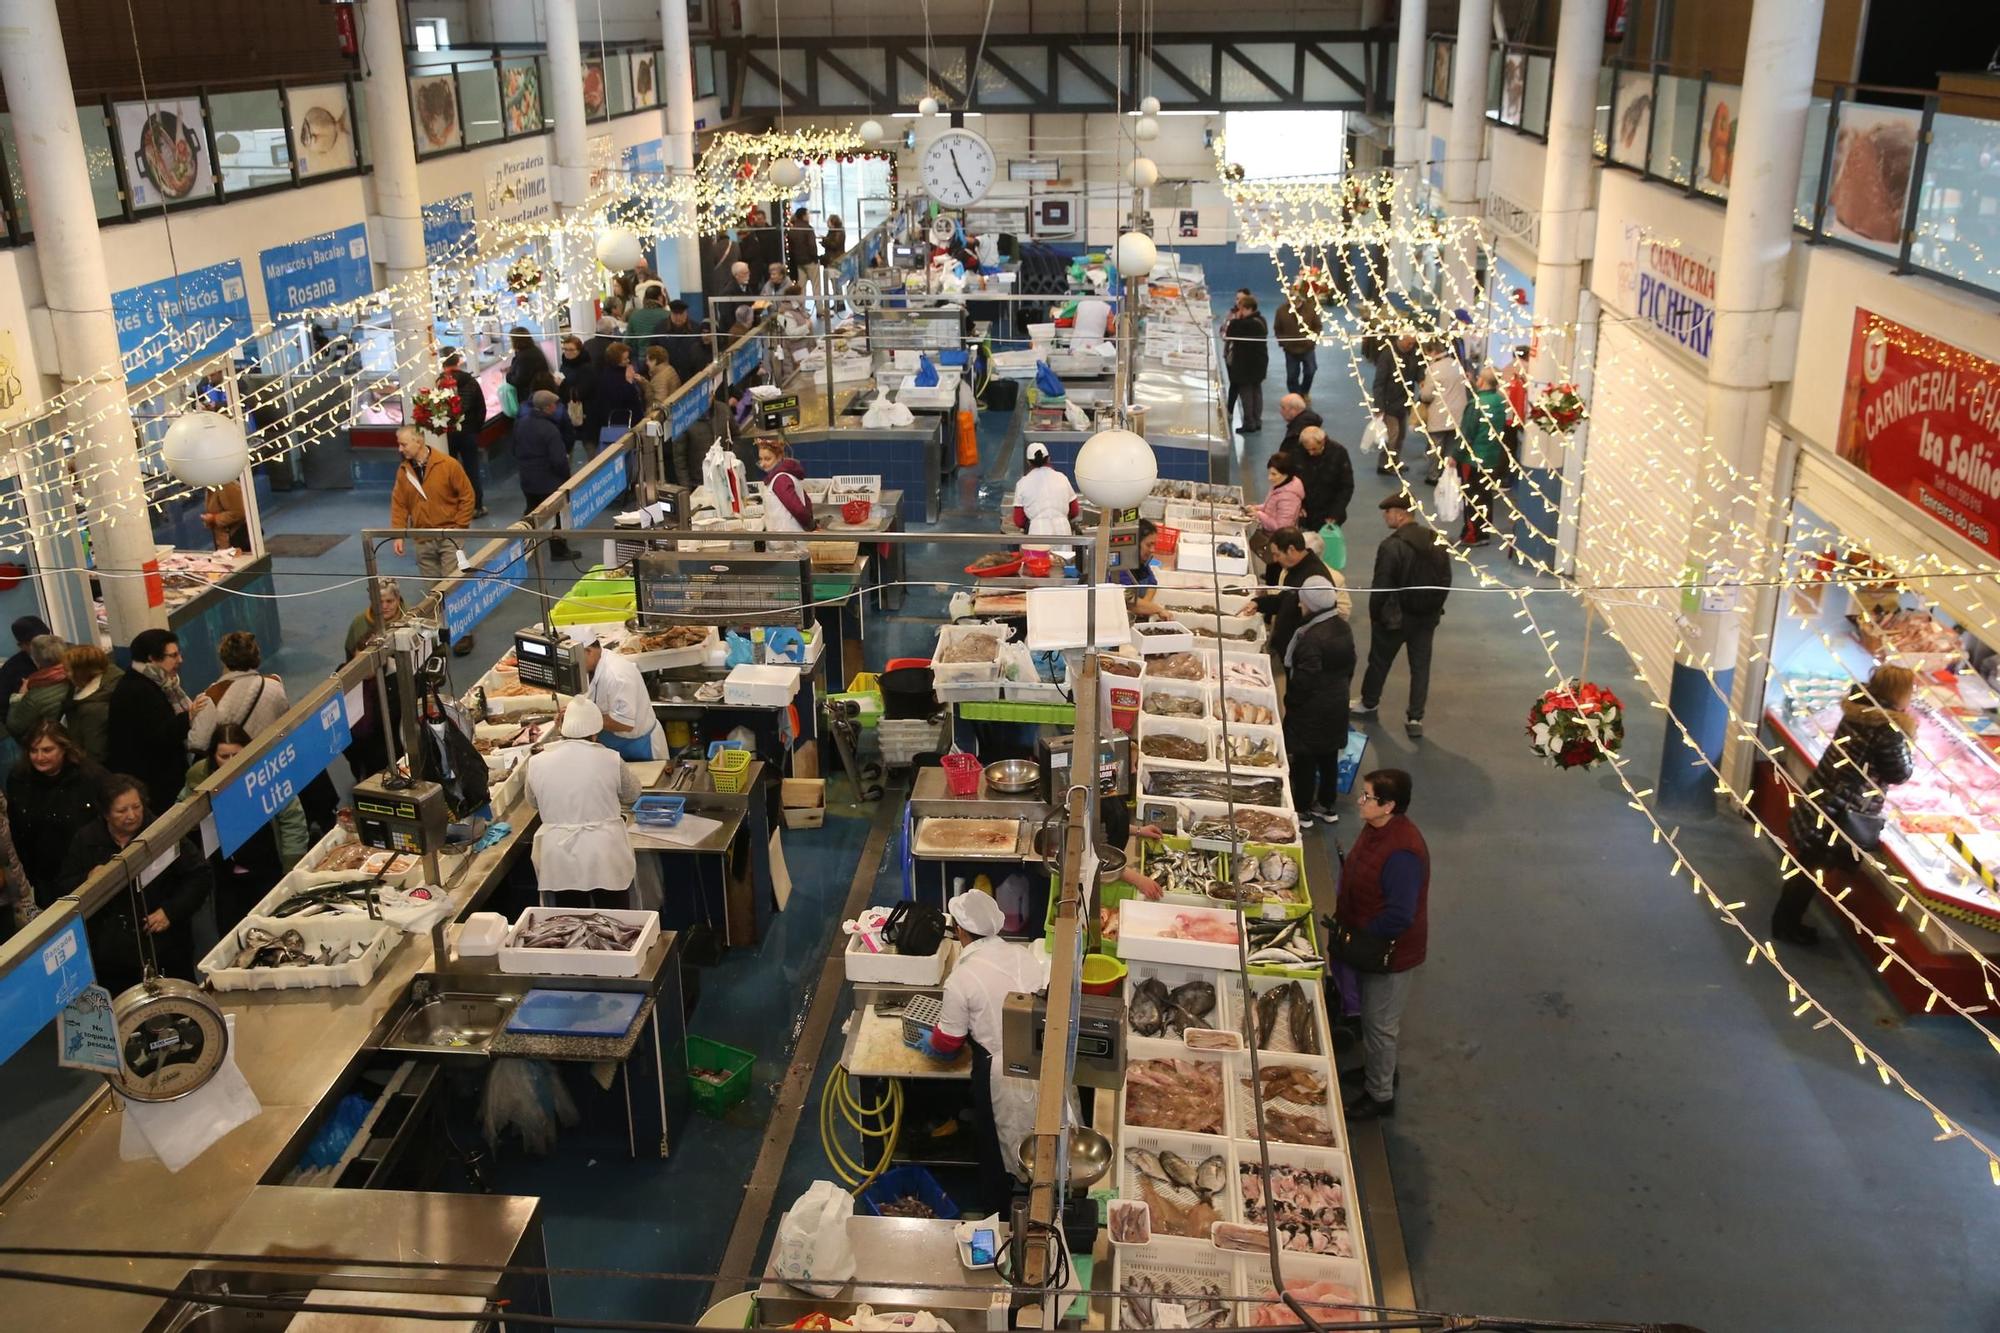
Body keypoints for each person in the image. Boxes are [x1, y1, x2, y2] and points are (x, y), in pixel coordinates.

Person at [911, 890, 1048, 1208]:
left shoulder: (961, 978)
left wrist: (928, 1042)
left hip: (998, 1071)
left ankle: (1001, 1213)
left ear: (959, 930)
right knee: (1043, 1133)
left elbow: (948, 1043)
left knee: (998, 1142)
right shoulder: (1024, 955)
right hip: (1042, 1054)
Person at [1778, 665, 1917, 946]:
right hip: (1841, 808)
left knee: (1805, 864)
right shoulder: (1888, 729)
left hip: (1825, 793)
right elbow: (1899, 773)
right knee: (1810, 870)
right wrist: (1909, 739)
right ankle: (1785, 925)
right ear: (1898, 693)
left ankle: (1786, 921)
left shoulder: (1859, 711)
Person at [60, 773, 212, 993]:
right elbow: (64, 886)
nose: (131, 815)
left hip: (166, 945)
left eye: (136, 807)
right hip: (113, 954)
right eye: (122, 811)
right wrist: (88, 878)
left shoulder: (161, 831)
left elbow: (199, 875)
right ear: (105, 814)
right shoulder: (86, 840)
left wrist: (171, 911)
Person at [1336, 768, 1429, 1121]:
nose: (1360, 802)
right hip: (1367, 943)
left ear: (1388, 805)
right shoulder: (1377, 828)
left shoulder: (1403, 852)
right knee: (1375, 1021)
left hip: (1389, 952)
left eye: (1368, 797)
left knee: (1380, 1025)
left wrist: (1364, 934)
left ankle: (1380, 1095)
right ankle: (1381, 1071)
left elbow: (1401, 914)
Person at [182, 723, 306, 935]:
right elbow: (184, 810)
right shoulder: (199, 775)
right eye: (224, 756)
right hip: (225, 870)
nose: (231, 762)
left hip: (266, 862)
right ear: (213, 756)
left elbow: (291, 818)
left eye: (236, 755)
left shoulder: (266, 770)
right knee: (232, 931)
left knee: (277, 927)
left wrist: (291, 865)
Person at [1353, 495, 1452, 740]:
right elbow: (1446, 580)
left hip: (1394, 618)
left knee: (1379, 661)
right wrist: (1434, 609)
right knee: (1420, 667)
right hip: (1426, 618)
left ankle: (1369, 702)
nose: (1385, 517)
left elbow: (1382, 587)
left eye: (1387, 513)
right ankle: (1415, 717)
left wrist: (1376, 615)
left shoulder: (1391, 546)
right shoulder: (1437, 541)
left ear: (1400, 514)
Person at [526, 698, 642, 907]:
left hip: (559, 857)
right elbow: (632, 793)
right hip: (604, 853)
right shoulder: (610, 758)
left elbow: (533, 802)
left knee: (570, 925)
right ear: (595, 732)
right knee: (615, 922)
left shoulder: (536, 762)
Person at [388, 425, 478, 653]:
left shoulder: (448, 465)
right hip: (422, 539)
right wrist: (398, 533)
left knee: (453, 586)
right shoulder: (403, 472)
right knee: (433, 592)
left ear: (418, 441)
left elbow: (467, 496)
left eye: (403, 444)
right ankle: (441, 634)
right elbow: (399, 504)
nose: (400, 449)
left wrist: (459, 527)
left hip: (449, 537)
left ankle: (463, 632)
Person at [8, 722, 103, 918]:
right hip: (46, 878)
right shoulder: (19, 780)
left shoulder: (89, 777)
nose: (40, 757)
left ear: (64, 748)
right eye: (34, 750)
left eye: (47, 750)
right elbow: (17, 831)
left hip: (86, 873)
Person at [1284, 576, 1355, 830]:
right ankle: (1327, 805)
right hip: (1336, 704)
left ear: (1310, 603)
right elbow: (1350, 666)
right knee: (1328, 759)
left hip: (1311, 712)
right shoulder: (1342, 627)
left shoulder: (1311, 637)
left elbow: (1305, 680)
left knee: (1304, 760)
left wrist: (1290, 702)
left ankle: (1302, 810)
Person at [108, 628, 204, 815]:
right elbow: (159, 736)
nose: (180, 660)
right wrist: (189, 716)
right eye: (173, 655)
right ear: (152, 658)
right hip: (155, 785)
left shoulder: (159, 683)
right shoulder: (137, 691)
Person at [570, 628, 666, 761]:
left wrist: (583, 717)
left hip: (639, 746)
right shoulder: (592, 666)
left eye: (576, 659)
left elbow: (624, 724)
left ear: (588, 651)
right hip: (612, 741)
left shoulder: (617, 675)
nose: (574, 664)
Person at [187, 630, 288, 753]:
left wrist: (192, 719)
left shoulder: (212, 697)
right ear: (256, 655)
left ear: (223, 660)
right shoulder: (275, 683)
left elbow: (198, 744)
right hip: (277, 756)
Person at [1257, 528, 1344, 663]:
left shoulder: (1315, 578)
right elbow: (1285, 599)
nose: (1274, 559)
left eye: (1277, 554)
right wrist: (1258, 603)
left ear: (1291, 549)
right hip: (1290, 650)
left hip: (1301, 657)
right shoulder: (1295, 568)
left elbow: (1321, 623)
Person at [515, 390, 575, 560]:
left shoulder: (521, 424)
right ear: (548, 407)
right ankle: (559, 551)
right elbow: (558, 460)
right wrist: (566, 477)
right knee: (555, 518)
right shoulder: (550, 429)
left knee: (531, 513)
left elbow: (514, 448)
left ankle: (523, 545)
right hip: (549, 481)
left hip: (527, 479)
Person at [1456, 366, 1510, 547]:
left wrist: (1455, 455)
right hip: (1492, 456)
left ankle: (1473, 534)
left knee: (1472, 497)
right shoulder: (1499, 401)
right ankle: (1484, 532)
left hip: (1473, 458)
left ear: (1482, 381)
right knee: (1485, 495)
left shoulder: (1475, 404)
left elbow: (1467, 433)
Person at [439, 348, 490, 518]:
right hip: (468, 433)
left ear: (442, 363)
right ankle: (476, 506)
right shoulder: (471, 382)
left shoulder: (439, 383)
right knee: (472, 470)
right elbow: (481, 409)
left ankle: (454, 506)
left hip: (447, 435)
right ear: (458, 361)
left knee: (448, 472)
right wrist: (476, 429)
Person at [1011, 441, 1079, 553]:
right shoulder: (1062, 478)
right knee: (1063, 565)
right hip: (1063, 531)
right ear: (1048, 459)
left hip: (1038, 532)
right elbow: (1074, 510)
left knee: (1040, 566)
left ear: (1028, 462)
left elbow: (1019, 520)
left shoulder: (1022, 483)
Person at [1285, 425, 1354, 534]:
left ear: (1322, 442)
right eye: (1307, 449)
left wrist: (1335, 513)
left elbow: (1346, 486)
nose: (1310, 453)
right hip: (1304, 514)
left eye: (1314, 449)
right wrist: (1298, 505)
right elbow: (1290, 481)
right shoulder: (1296, 452)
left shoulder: (1339, 453)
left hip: (1329, 512)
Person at [60, 643, 121, 766]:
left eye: (68, 670)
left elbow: (95, 754)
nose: (66, 674)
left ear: (81, 672)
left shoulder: (92, 708)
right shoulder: (109, 684)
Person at [1371, 334, 1422, 474]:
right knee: (1392, 436)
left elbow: (1417, 371)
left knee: (1401, 435)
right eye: (1409, 343)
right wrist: (1379, 406)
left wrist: (1421, 379)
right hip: (1389, 403)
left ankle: (1394, 461)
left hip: (1404, 402)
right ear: (1401, 339)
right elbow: (1379, 383)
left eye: (1413, 343)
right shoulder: (1387, 355)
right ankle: (1385, 465)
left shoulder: (1413, 353)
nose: (1411, 346)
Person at [7, 633, 68, 744]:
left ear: (36, 660)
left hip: (51, 742)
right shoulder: (76, 677)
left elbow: (14, 726)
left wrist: (19, 695)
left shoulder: (34, 697)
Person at [587, 343, 647, 450]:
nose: (628, 361)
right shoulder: (609, 377)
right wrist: (629, 382)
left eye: (628, 358)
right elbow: (619, 399)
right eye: (625, 359)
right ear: (616, 360)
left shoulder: (624, 371)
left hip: (631, 422)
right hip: (621, 425)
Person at [1224, 294, 1270, 434]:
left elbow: (1230, 333)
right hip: (1259, 363)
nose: (1239, 312)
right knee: (1257, 391)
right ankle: (1257, 420)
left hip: (1245, 365)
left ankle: (1249, 422)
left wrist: (1235, 320)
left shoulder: (1245, 324)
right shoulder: (1261, 321)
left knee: (1246, 394)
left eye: (1241, 309)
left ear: (1247, 308)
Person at [757, 437, 816, 543]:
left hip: (789, 541)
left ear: (779, 457)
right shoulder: (782, 476)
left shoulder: (780, 479)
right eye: (760, 459)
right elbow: (806, 501)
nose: (762, 464)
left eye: (767, 459)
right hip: (786, 540)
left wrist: (811, 526)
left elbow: (798, 509)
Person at [1114, 519, 1172, 622]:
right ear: (1134, 544)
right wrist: (1157, 609)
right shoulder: (1120, 566)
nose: (1153, 550)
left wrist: (1145, 605)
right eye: (1149, 545)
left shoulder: (1141, 562)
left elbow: (1152, 584)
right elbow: (1128, 601)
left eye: (1154, 545)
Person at [1274, 300, 1321, 397]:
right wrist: (1283, 342)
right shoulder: (1281, 311)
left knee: (1310, 371)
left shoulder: (1311, 309)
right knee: (1291, 376)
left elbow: (1318, 326)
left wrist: (1311, 341)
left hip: (1308, 348)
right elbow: (1277, 328)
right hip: (1290, 349)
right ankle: (1296, 396)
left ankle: (1304, 392)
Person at [504, 328, 552, 422]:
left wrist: (508, 375)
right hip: (540, 392)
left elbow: (519, 380)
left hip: (530, 397)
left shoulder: (524, 357)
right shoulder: (533, 351)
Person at [0, 615, 49, 704]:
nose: (43, 645)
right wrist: (21, 697)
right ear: (21, 646)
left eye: (47, 639)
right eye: (35, 643)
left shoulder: (71, 654)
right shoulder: (10, 670)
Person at [1252, 452, 1305, 534]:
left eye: (1274, 474)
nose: (1269, 478)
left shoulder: (1289, 497)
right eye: (1269, 473)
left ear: (1286, 474)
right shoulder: (1279, 485)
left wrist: (1259, 515)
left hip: (1277, 541)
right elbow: (1271, 506)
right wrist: (1256, 508)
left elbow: (1281, 527)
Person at [663, 299, 714, 384]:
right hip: (669, 378)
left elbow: (703, 349)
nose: (678, 317)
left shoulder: (696, 329)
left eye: (681, 314)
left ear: (686, 313)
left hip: (691, 377)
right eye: (675, 314)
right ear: (671, 314)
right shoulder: (661, 329)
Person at [559, 334, 594, 431]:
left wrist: (562, 384)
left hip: (582, 410)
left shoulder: (586, 368)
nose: (567, 352)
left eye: (571, 350)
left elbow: (583, 391)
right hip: (565, 408)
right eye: (565, 349)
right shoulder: (564, 365)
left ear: (579, 350)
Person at [201, 479, 249, 549]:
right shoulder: (212, 486)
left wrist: (214, 519)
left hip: (236, 541)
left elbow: (239, 512)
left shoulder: (226, 484)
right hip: (225, 542)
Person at [626, 286, 670, 352]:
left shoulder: (635, 315)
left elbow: (628, 341)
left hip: (642, 357)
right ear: (660, 298)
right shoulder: (668, 315)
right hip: (664, 358)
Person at [718, 259, 757, 328]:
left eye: (748, 272)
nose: (748, 275)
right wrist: (740, 329)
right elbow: (727, 316)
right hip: (734, 331)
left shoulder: (747, 287)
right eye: (744, 273)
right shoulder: (728, 292)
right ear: (736, 276)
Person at [786, 207, 818, 284]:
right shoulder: (808, 229)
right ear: (804, 216)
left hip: (798, 261)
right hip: (810, 260)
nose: (809, 216)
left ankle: (801, 296)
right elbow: (812, 245)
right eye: (808, 214)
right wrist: (815, 258)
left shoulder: (792, 229)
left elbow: (791, 247)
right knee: (816, 284)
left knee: (801, 285)